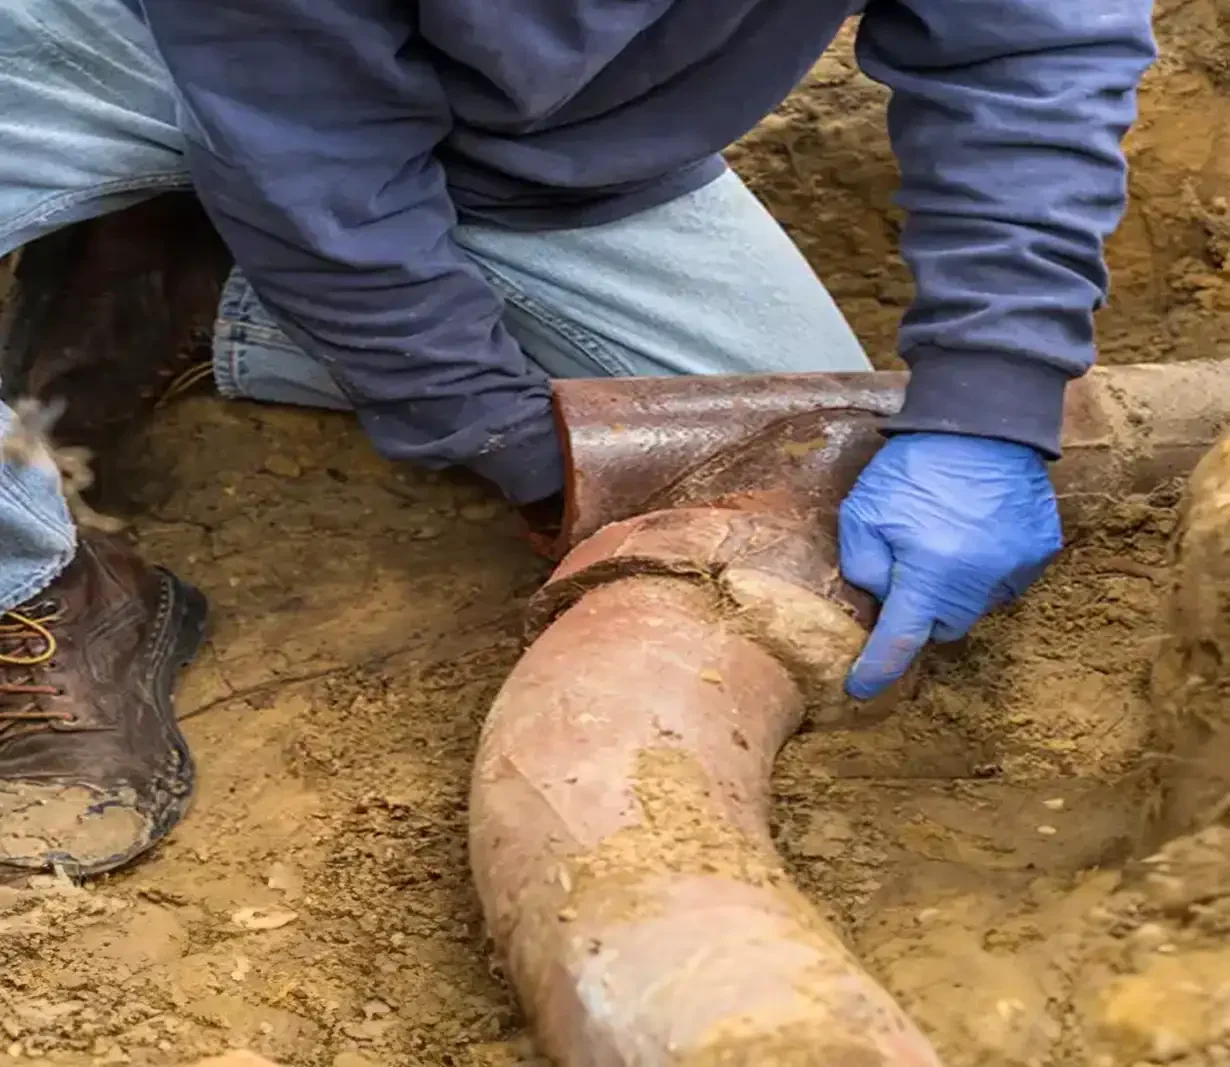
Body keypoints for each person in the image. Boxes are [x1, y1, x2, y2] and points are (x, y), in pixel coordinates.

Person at [0, 0, 1153, 874]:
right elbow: (311, 158)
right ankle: (35, 581)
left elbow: (1027, 45)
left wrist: (993, 399)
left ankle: (192, 288)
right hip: (114, 42)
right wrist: (512, 442)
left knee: (787, 448)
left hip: (532, 144)